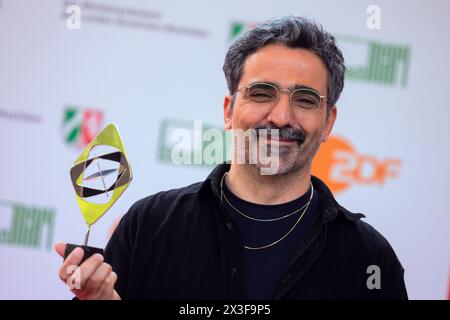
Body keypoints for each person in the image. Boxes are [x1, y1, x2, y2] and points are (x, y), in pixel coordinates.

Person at [55, 16, 408, 300]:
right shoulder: (150, 225)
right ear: (229, 110)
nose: (281, 117)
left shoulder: (370, 259)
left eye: (304, 99)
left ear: (328, 120)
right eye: (261, 93)